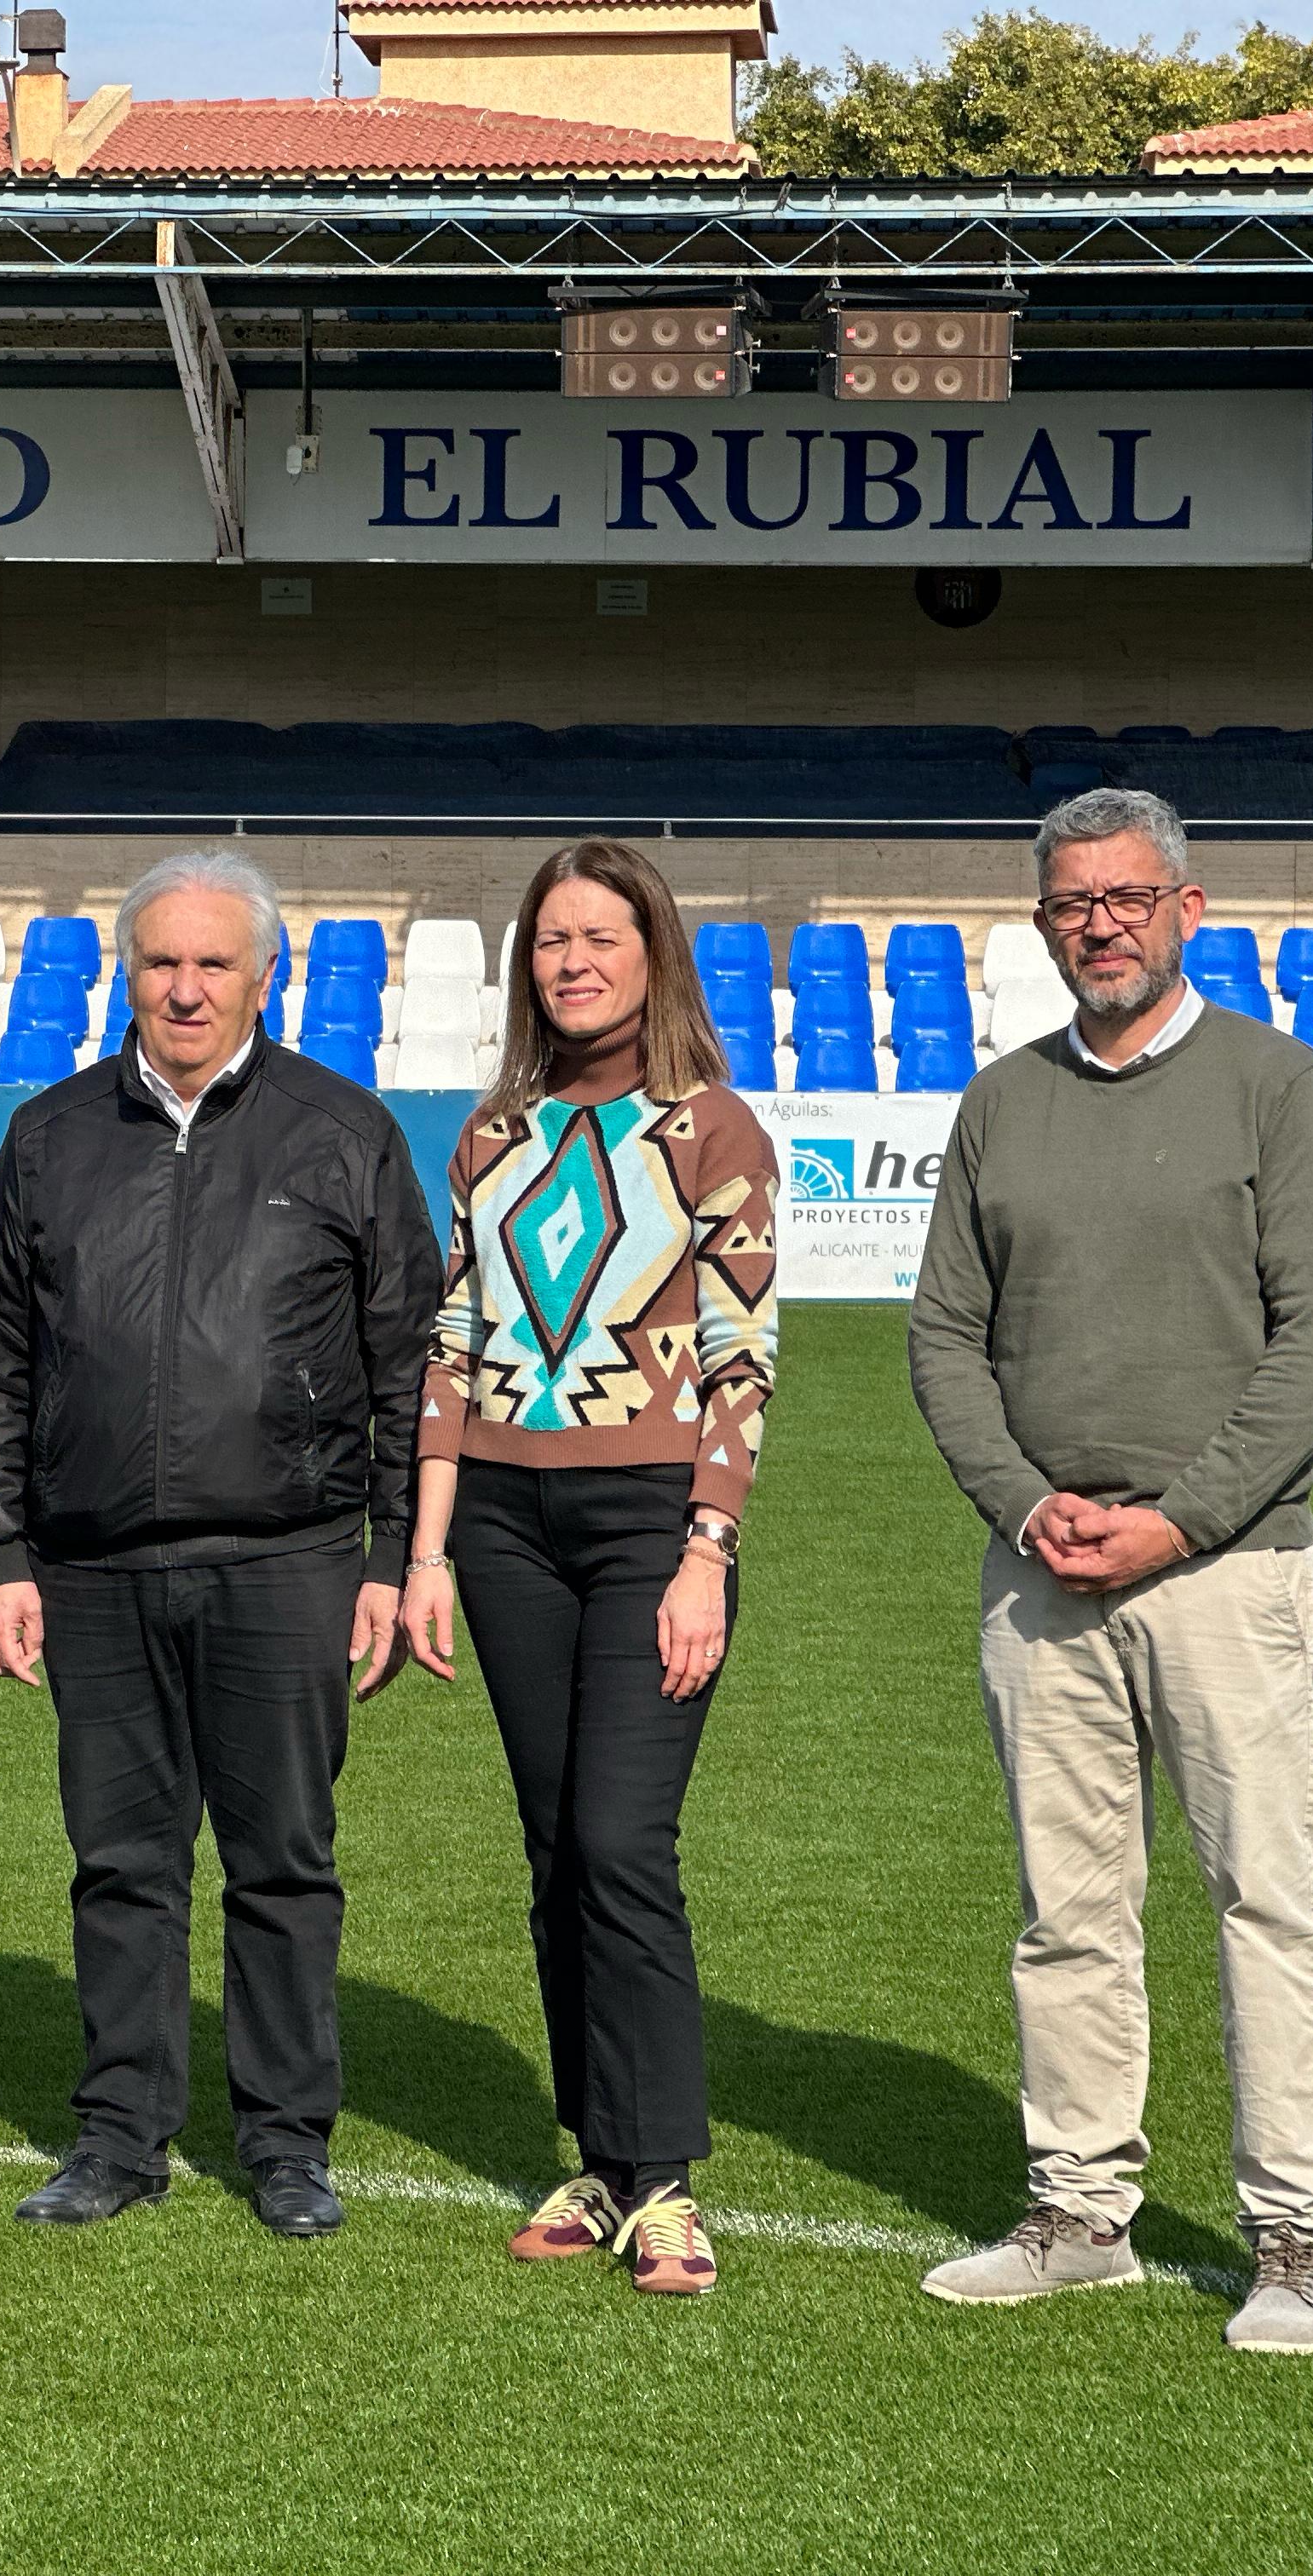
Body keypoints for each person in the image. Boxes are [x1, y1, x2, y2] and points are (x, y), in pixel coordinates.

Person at [908, 787, 1313, 2356]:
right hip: (1041, 1571)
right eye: (1068, 905)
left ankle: (1302, 2239)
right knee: (1066, 1909)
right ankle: (1078, 2209)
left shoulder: (1277, 1087)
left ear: (1187, 907)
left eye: (1124, 898)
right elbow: (944, 1340)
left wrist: (1180, 1520)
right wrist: (1022, 1500)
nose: (1097, 925)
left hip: (1228, 1571)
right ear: (1043, 923)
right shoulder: (998, 1103)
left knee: (1268, 1900)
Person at [0, 850, 441, 2240]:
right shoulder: (48, 1140)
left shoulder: (344, 1133)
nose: (184, 986)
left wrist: (394, 1555)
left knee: (283, 1861)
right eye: (161, 961)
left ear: (264, 977)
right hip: (92, 1568)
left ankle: (288, 2143)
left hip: (289, 1561)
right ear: (127, 973)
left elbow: (407, 1363)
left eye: (213, 963)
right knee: (122, 1864)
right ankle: (119, 2134)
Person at [397, 841, 778, 2297]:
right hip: (499, 1526)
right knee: (557, 1849)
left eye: (599, 936)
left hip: (647, 1528)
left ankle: (666, 2180)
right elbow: (451, 1349)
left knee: (625, 1840)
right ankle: (599, 2158)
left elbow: (743, 1357)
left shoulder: (712, 1130)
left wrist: (706, 1554)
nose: (572, 961)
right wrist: (427, 1553)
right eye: (550, 940)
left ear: (652, 951)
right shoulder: (491, 1135)